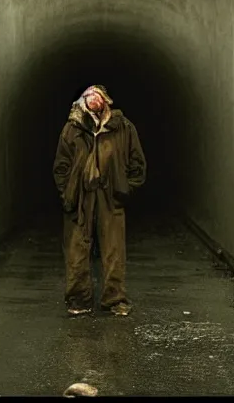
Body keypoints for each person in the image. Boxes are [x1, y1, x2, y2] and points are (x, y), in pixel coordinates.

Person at [52, 84, 146, 317]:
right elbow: (61, 165)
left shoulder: (123, 128)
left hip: (110, 196)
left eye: (98, 95)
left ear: (107, 100)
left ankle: (114, 300)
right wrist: (67, 192)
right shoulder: (72, 128)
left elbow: (137, 164)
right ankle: (79, 298)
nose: (93, 99)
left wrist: (125, 189)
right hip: (80, 196)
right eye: (88, 96)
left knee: (113, 248)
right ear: (82, 102)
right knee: (76, 248)